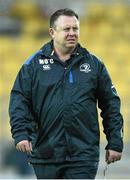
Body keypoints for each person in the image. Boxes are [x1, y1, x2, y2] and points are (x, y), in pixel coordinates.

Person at [9, 8, 124, 179]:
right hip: (45, 153)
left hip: (83, 155)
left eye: (75, 29)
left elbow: (110, 104)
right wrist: (20, 134)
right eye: (66, 29)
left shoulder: (94, 65)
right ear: (52, 32)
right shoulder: (33, 66)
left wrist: (115, 141)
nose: (72, 33)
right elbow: (19, 100)